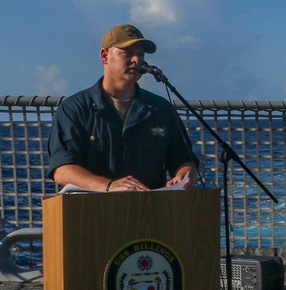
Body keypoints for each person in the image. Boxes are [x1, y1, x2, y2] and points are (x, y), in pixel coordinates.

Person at [46, 24, 198, 192]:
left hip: (149, 209)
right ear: (104, 56)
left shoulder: (161, 109)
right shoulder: (74, 109)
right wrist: (109, 186)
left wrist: (184, 175)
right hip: (91, 210)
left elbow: (184, 159)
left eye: (140, 54)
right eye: (128, 53)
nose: (136, 60)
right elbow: (62, 169)